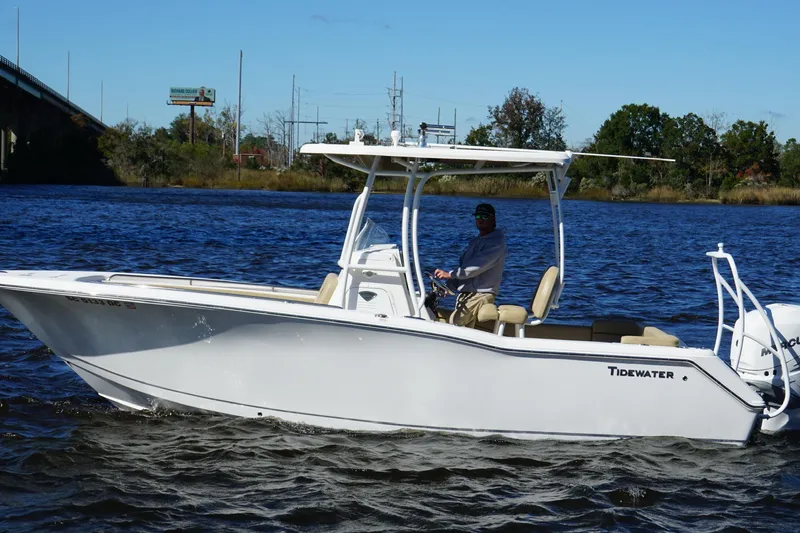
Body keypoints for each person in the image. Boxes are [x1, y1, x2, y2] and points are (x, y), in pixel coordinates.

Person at [434, 203, 507, 328]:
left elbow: (474, 268)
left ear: (493, 218)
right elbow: (465, 268)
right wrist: (449, 286)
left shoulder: (496, 245)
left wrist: (449, 274)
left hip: (481, 294)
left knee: (455, 323)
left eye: (484, 216)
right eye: (478, 216)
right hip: (467, 294)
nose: (480, 219)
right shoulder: (475, 242)